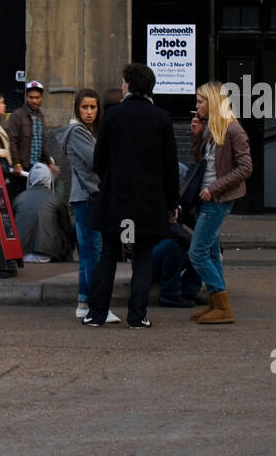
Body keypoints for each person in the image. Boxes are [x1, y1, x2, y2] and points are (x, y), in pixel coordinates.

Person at [84, 63, 179, 329]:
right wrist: (172, 203)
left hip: (116, 199)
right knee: (143, 257)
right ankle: (137, 316)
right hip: (148, 202)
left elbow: (99, 160)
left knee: (108, 254)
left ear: (128, 84)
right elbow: (170, 166)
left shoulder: (113, 115)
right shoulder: (161, 118)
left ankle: (96, 314)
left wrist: (110, 181)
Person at [188, 80, 253, 325]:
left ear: (213, 102)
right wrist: (196, 137)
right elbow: (198, 161)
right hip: (207, 198)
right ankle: (216, 304)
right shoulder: (210, 129)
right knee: (212, 253)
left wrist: (213, 188)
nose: (197, 106)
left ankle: (222, 303)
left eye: (200, 101)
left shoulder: (233, 129)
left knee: (196, 253)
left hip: (218, 199)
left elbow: (246, 168)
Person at [59, 89, 112, 320]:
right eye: (85, 107)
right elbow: (95, 160)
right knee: (93, 251)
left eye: (93, 107)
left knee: (87, 250)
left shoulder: (85, 130)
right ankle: (97, 305)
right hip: (87, 196)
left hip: (82, 196)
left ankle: (83, 301)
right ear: (77, 109)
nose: (89, 112)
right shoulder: (78, 131)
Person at [12, 163, 73, 262]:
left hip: (20, 253)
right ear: (49, 178)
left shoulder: (18, 198)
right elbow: (66, 229)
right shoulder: (56, 199)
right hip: (47, 253)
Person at [7, 81, 59, 195]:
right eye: (31, 97)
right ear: (26, 97)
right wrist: (16, 163)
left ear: (41, 98)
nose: (34, 100)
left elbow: (41, 143)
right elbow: (12, 141)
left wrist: (49, 163)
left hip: (36, 168)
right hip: (22, 169)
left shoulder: (40, 116)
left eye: (37, 97)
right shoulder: (17, 115)